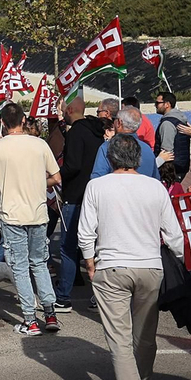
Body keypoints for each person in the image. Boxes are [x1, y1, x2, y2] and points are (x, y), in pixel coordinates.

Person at [77, 134, 185, 380]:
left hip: (111, 267)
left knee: (120, 342)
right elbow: (174, 235)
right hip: (150, 267)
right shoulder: (155, 187)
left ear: (110, 158)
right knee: (145, 336)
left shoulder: (97, 186)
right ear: (139, 158)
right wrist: (183, 261)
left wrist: (90, 261)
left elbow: (86, 230)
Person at [0, 102, 63, 334]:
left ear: (4, 124)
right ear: (24, 120)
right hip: (38, 212)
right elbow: (57, 178)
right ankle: (50, 312)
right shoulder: (39, 144)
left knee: (20, 267)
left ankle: (30, 318)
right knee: (39, 263)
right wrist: (37, 182)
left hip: (12, 214)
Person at [57, 96, 106, 311]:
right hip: (95, 196)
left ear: (69, 110)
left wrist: (57, 176)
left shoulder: (76, 132)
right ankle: (100, 296)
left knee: (68, 247)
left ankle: (63, 297)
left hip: (76, 196)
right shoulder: (96, 131)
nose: (60, 114)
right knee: (96, 247)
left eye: (61, 110)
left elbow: (73, 165)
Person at [90, 107, 163, 181]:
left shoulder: (106, 147)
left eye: (114, 119)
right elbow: (155, 179)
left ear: (119, 122)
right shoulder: (147, 149)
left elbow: (97, 179)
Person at [153, 91, 191, 176]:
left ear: (167, 104)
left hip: (171, 170)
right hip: (181, 165)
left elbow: (166, 151)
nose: (155, 105)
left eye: (157, 103)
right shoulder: (180, 119)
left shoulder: (167, 123)